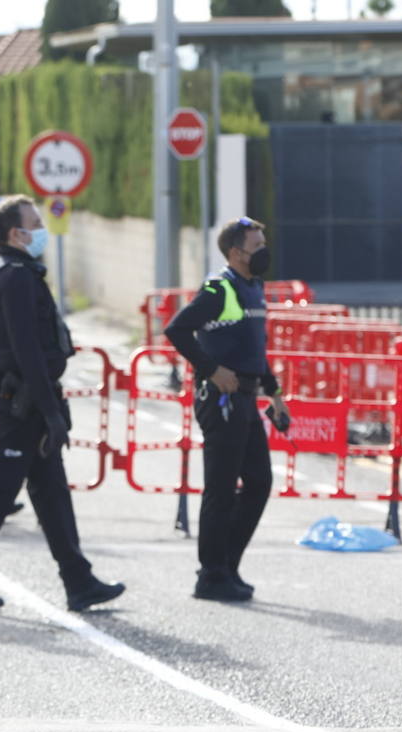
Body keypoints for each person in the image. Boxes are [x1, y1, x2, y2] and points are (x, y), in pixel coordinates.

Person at [0, 195, 125, 612]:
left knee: (52, 492)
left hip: (20, 397)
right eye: (34, 223)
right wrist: (49, 409)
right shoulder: (17, 276)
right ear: (15, 233)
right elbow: (25, 349)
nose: (41, 230)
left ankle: (79, 581)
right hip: (23, 402)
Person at [163, 217, 288, 603]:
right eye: (257, 243)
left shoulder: (253, 287)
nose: (264, 249)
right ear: (236, 252)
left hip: (247, 399)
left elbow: (255, 349)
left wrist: (275, 394)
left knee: (259, 482)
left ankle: (227, 565)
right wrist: (212, 369)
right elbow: (177, 330)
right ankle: (211, 575)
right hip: (222, 401)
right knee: (220, 490)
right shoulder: (219, 288)